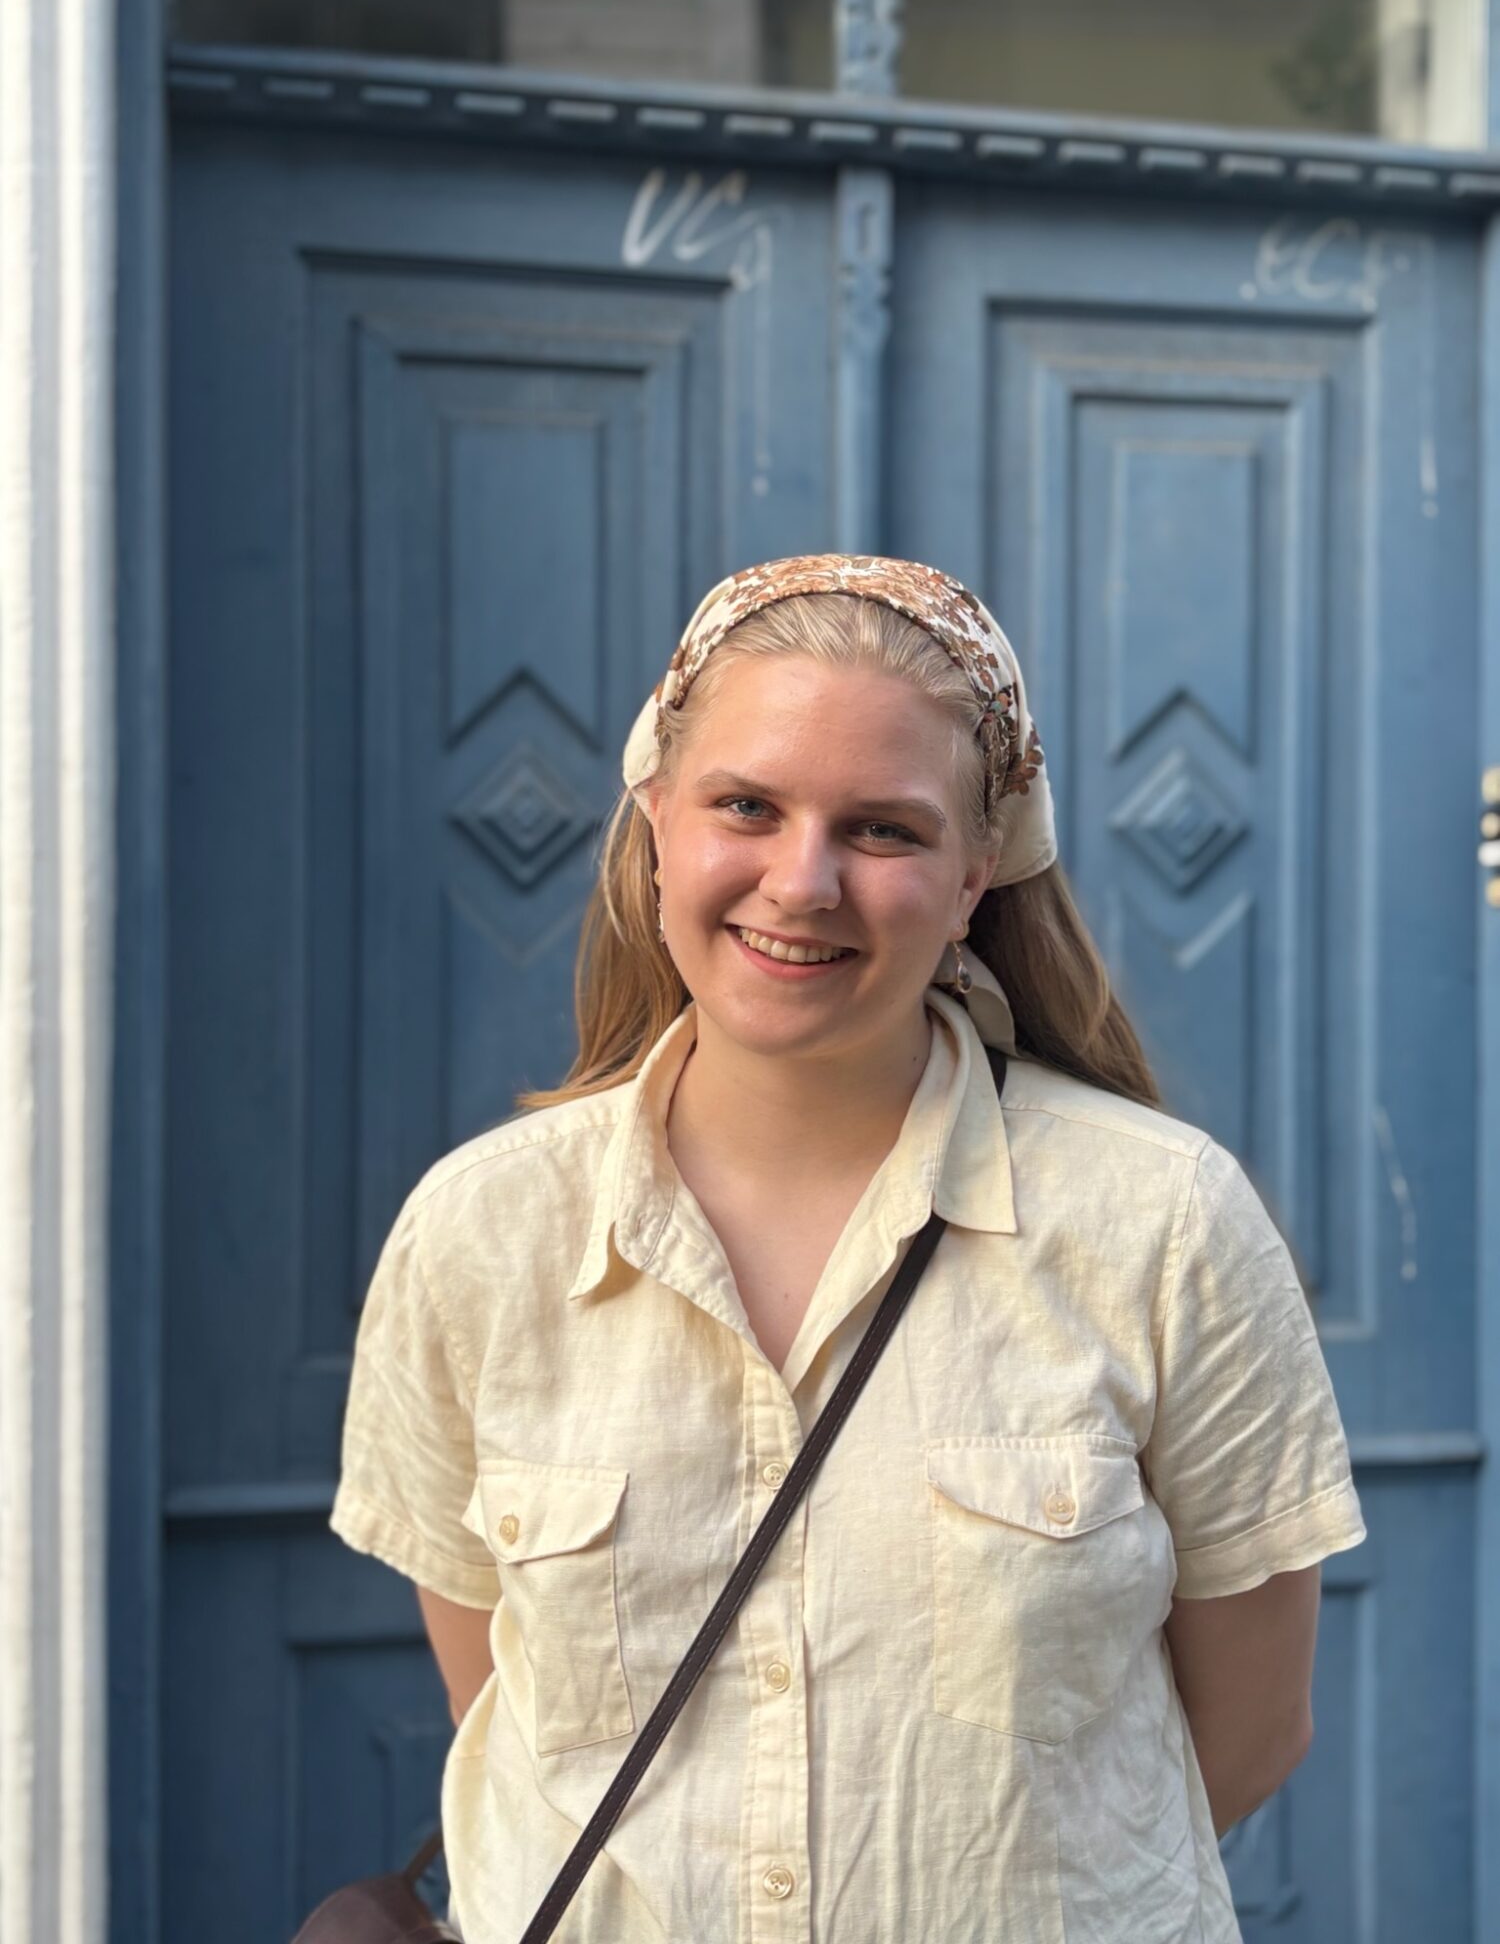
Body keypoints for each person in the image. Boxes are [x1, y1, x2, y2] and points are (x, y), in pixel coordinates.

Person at [330, 553, 1366, 1944]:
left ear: (975, 876)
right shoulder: (482, 1233)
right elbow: (504, 1706)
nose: (802, 881)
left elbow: (1249, 1728)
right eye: (745, 806)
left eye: (882, 830)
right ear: (657, 821)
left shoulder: (1164, 1224)